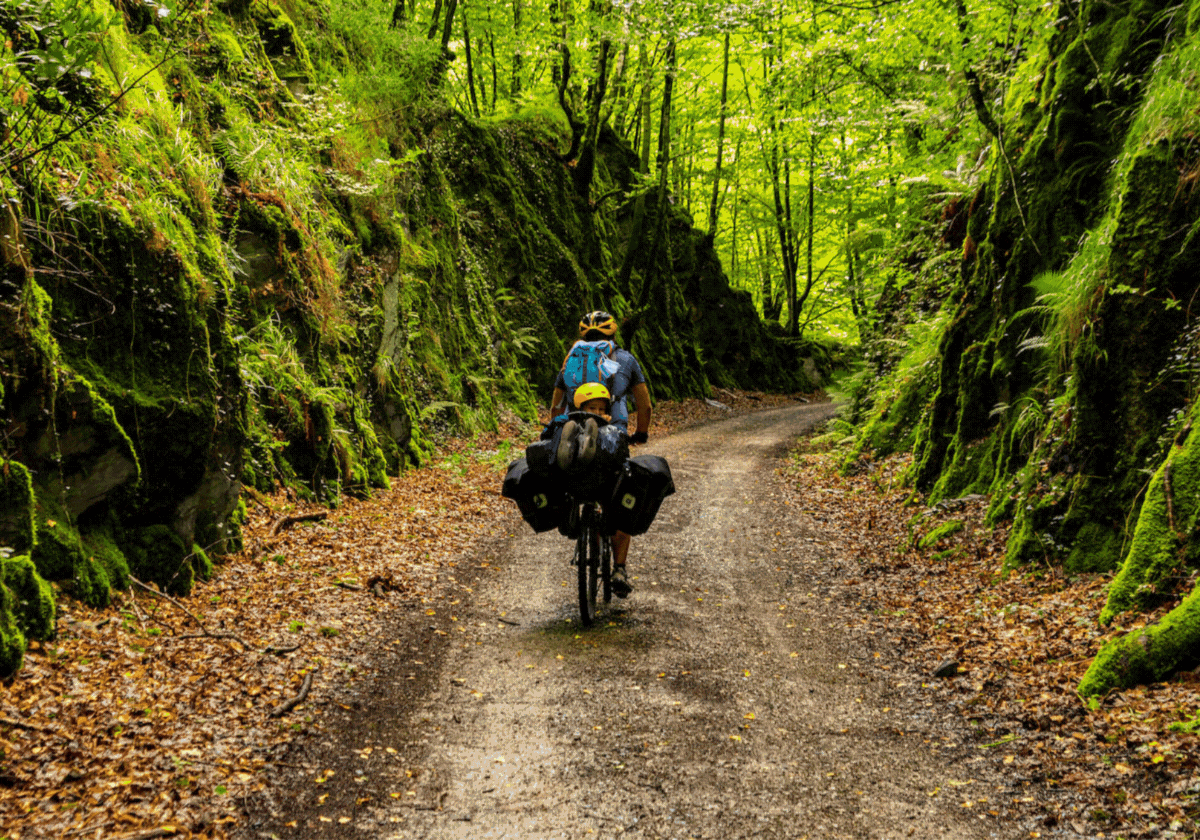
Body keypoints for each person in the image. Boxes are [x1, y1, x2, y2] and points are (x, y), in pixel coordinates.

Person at [550, 311, 651, 599]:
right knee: (620, 497)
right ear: (613, 335)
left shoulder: (570, 360)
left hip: (573, 435)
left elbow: (556, 405)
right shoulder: (627, 360)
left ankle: (575, 519)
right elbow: (644, 405)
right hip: (613, 436)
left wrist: (554, 428)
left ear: (583, 337)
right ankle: (619, 567)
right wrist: (641, 433)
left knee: (578, 481)